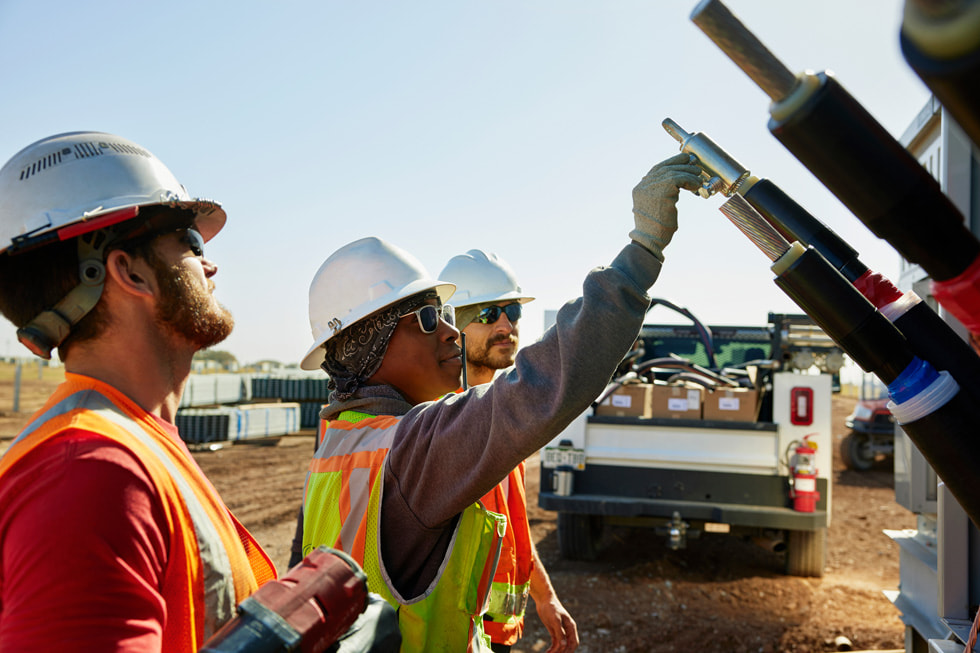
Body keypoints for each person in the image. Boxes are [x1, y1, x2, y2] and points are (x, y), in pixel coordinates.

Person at [298, 152, 702, 652]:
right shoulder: (414, 447)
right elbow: (543, 386)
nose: (449, 331)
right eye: (429, 318)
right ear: (373, 343)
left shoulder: (337, 441)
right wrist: (642, 250)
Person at [0, 132, 277, 651]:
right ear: (129, 271)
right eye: (190, 242)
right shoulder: (90, 473)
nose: (210, 265)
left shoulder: (131, 444)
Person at [438, 249, 577, 653]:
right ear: (450, 324)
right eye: (486, 313)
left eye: (512, 312)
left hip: (499, 632)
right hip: (459, 633)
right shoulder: (440, 419)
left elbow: (512, 520)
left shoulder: (502, 410)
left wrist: (545, 595)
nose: (505, 325)